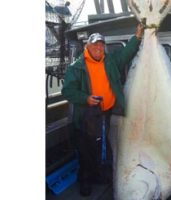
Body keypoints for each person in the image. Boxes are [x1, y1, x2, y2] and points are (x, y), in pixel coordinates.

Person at [61, 23, 145, 196]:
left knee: (101, 147)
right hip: (87, 115)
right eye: (95, 44)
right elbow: (67, 91)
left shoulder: (111, 61)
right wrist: (86, 98)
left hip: (104, 113)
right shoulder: (76, 67)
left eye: (101, 44)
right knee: (87, 149)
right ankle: (85, 181)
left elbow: (126, 53)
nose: (99, 47)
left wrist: (137, 36)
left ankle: (98, 175)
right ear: (88, 47)